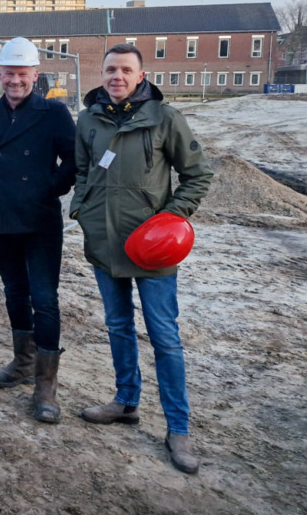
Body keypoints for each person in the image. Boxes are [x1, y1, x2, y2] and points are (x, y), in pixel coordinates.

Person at [71, 43, 213, 474]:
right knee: (117, 326)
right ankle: (126, 401)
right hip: (105, 242)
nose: (117, 76)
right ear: (103, 73)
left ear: (141, 75)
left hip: (152, 247)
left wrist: (169, 220)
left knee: (164, 336)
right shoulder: (88, 119)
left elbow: (198, 174)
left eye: (126, 70)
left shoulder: (164, 118)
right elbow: (83, 172)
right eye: (110, 69)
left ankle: (178, 427)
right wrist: (82, 209)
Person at [0, 37, 76, 423]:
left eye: (21, 73)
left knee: (44, 298)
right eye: (8, 73)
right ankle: (22, 361)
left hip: (41, 219)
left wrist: (49, 188)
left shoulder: (53, 112)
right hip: (1, 216)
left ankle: (46, 386)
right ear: (1, 74)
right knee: (14, 291)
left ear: (35, 75)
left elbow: (73, 160)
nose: (14, 80)